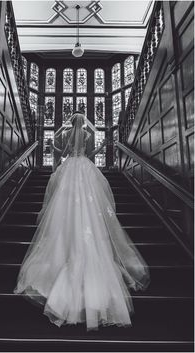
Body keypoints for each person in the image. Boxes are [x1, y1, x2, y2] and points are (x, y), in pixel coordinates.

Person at [14, 112, 150, 331]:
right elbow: (92, 154)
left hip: (70, 169)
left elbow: (64, 153)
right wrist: (103, 146)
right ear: (83, 123)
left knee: (66, 207)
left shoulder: (68, 133)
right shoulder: (86, 135)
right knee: (89, 206)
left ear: (71, 123)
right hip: (85, 168)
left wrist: (53, 149)